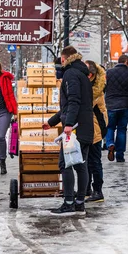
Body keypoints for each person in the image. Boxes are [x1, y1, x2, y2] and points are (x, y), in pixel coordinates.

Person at [43, 46, 94, 215]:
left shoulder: (70, 75)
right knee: (81, 165)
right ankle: (79, 203)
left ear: (64, 59)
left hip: (75, 129)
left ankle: (69, 202)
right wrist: (52, 122)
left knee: (65, 164)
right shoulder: (83, 75)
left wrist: (68, 124)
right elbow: (70, 105)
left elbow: (73, 101)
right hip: (85, 126)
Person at [104, 55, 128, 163]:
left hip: (111, 106)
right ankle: (120, 155)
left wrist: (107, 100)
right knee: (122, 130)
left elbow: (104, 88)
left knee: (109, 127)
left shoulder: (108, 73)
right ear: (127, 62)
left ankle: (110, 144)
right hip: (125, 106)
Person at [85, 60, 107, 203]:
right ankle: (86, 189)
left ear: (91, 75)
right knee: (85, 161)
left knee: (94, 161)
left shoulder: (95, 90)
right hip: (89, 126)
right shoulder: (89, 85)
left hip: (96, 126)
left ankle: (98, 191)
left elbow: (85, 104)